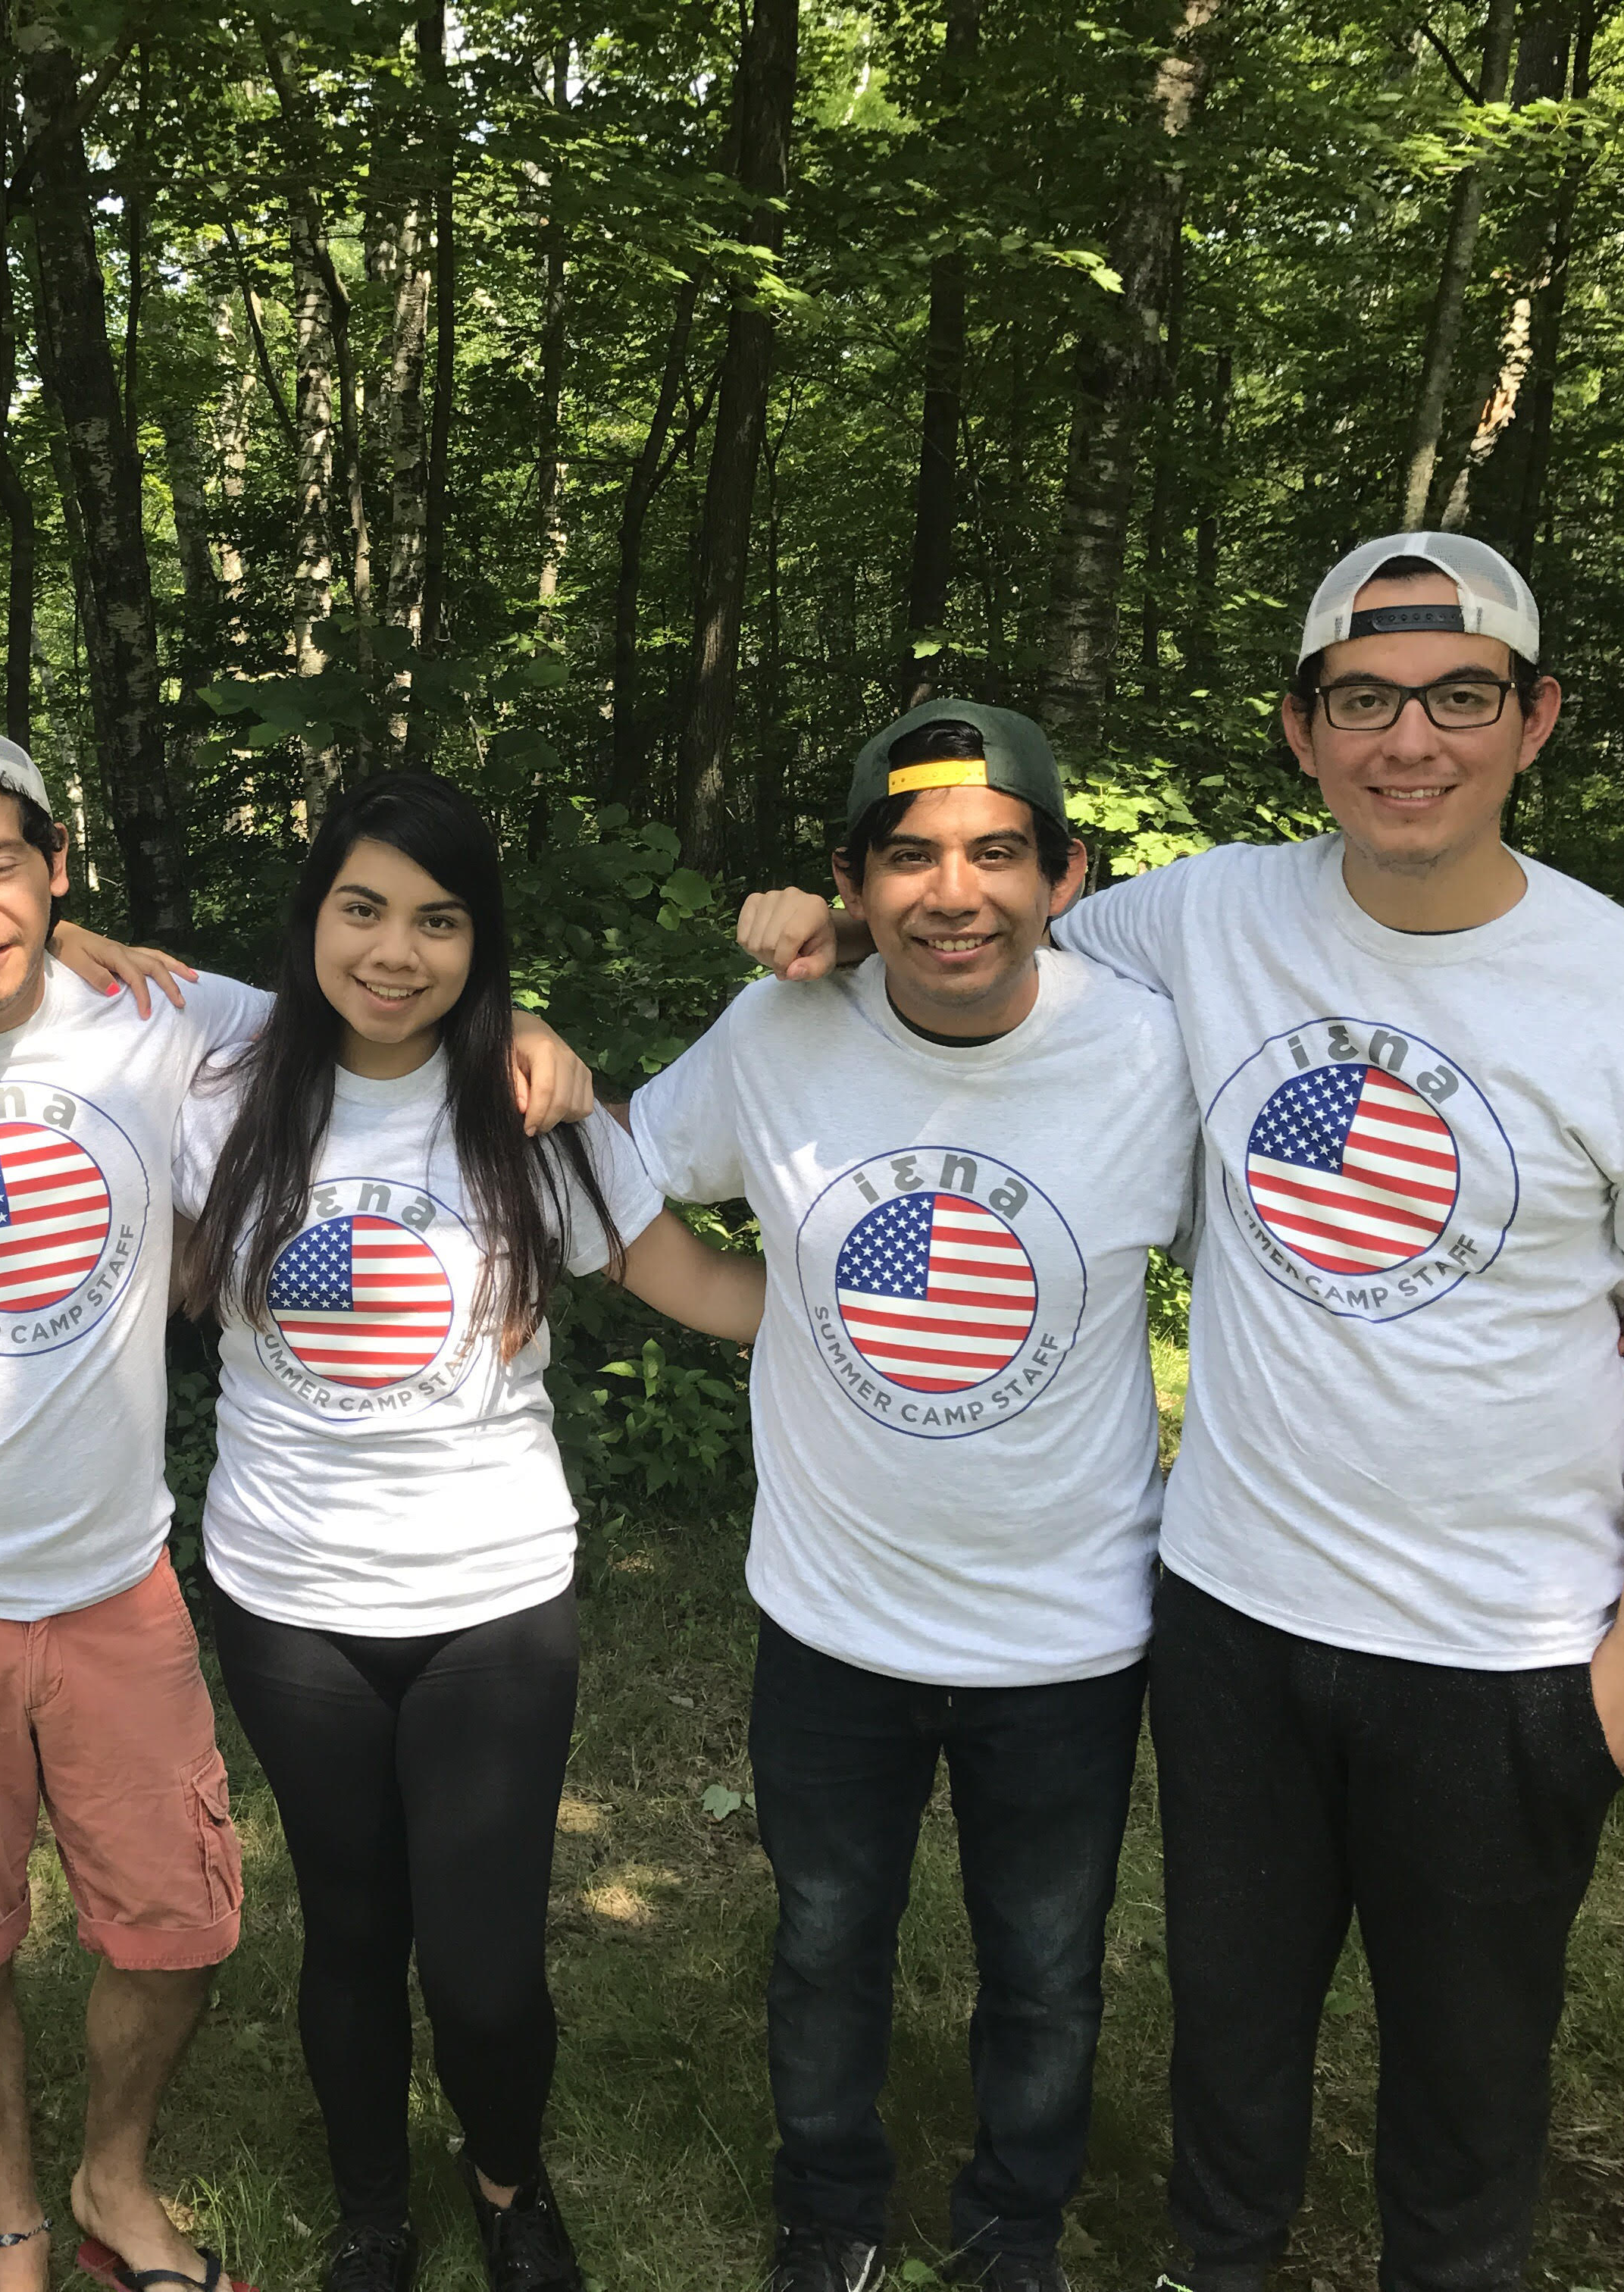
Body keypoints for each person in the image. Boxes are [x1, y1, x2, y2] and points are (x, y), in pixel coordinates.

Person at [737, 537, 1624, 2292]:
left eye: (1460, 697)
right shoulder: (1209, 917)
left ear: (1534, 720)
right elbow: (980, 926)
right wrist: (833, 919)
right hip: (1236, 1611)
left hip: (1508, 1644)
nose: (1411, 741)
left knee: (1468, 2080)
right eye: (1364, 700)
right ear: (1303, 731)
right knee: (1230, 2044)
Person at [0, 719, 587, 2292]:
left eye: (2, 863)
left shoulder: (167, 1019)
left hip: (117, 1582)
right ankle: (14, 2220)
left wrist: (529, 1023)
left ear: (59, 870)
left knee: (179, 1927)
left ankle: (112, 2181)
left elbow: (388, 994)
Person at [623, 703, 1199, 2292]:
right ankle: (830, 2209)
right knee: (826, 1939)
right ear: (852, 882)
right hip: (834, 1615)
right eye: (911, 857)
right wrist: (763, 1309)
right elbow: (615, 1176)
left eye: (998, 854)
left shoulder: (1149, 1053)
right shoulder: (779, 1034)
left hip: (1069, 1625)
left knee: (1046, 1963)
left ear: (1064, 876)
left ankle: (1016, 2223)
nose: (956, 894)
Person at [174, 772, 766, 2292]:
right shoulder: (217, 1096)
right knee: (352, 1932)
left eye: (438, 921)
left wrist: (871, 1327)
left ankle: (509, 2185)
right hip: (288, 1603)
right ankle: (372, 2210)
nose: (395, 952)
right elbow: (44, 984)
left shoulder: (533, 1113)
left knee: (486, 1969)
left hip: (493, 1603)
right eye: (362, 910)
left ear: (480, 942)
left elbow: (702, 1285)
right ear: (312, 918)